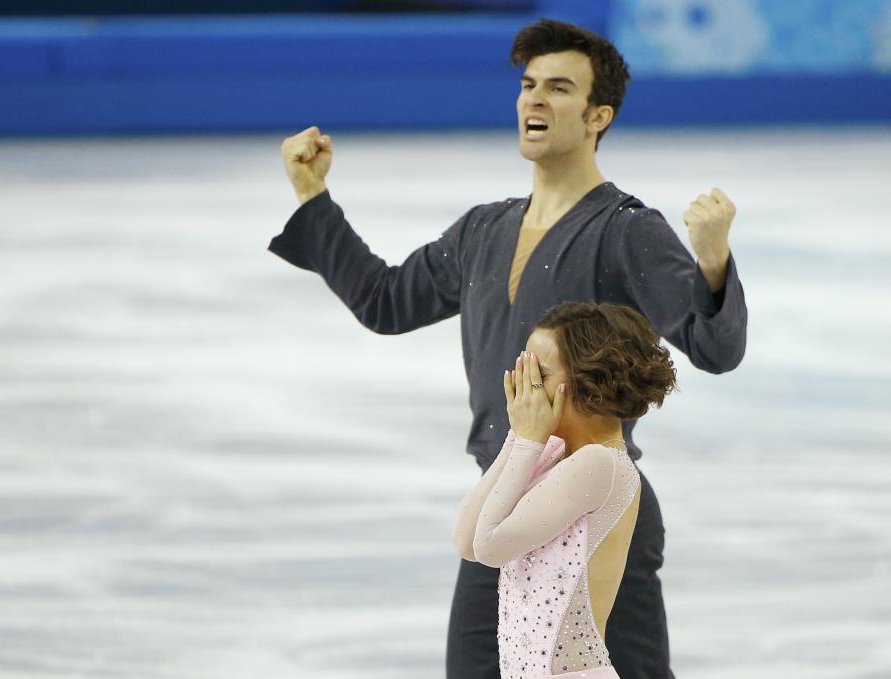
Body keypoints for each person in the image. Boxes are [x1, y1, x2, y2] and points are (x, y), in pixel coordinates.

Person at [269, 17, 747, 679]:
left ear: (597, 114)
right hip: (504, 497)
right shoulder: (483, 229)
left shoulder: (628, 231)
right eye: (527, 86)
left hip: (591, 506)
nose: (534, 101)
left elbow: (714, 346)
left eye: (558, 88)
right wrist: (312, 195)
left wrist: (714, 261)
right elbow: (384, 300)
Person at [452, 301, 677, 679]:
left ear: (590, 381)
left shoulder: (600, 465)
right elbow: (467, 542)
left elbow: (490, 546)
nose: (524, 383)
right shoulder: (554, 454)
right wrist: (519, 438)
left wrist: (526, 440)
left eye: (537, 372)